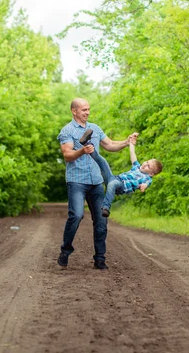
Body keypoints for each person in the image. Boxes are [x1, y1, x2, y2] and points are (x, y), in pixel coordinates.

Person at [57, 98, 138, 270]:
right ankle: (65, 250)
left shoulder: (95, 128)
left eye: (88, 109)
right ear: (74, 111)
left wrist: (127, 142)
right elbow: (67, 155)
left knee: (101, 220)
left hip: (96, 181)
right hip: (76, 180)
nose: (87, 112)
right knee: (76, 215)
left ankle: (100, 259)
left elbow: (110, 145)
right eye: (83, 110)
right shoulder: (67, 130)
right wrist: (82, 150)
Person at [82, 133, 162, 218]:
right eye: (147, 162)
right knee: (103, 161)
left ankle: (106, 208)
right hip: (114, 178)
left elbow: (146, 184)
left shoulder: (147, 178)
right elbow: (132, 153)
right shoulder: (137, 167)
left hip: (121, 186)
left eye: (148, 166)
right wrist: (131, 142)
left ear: (151, 173)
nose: (145, 164)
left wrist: (143, 186)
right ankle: (87, 143)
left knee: (112, 184)